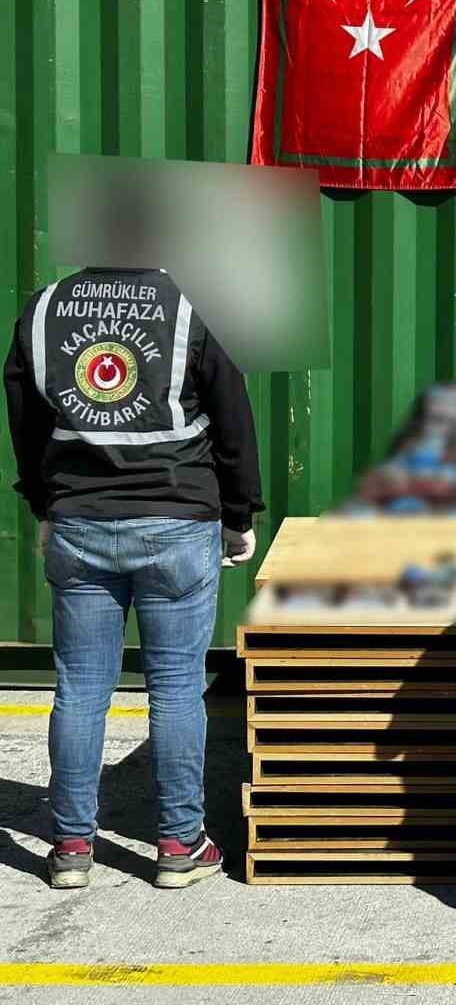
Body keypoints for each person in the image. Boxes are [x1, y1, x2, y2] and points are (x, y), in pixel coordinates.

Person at [3, 266, 263, 890]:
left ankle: (71, 846)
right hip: (177, 518)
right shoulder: (191, 304)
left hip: (79, 519)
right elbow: (232, 416)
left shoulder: (44, 309)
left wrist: (44, 505)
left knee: (80, 688)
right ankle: (179, 845)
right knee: (176, 689)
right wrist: (239, 514)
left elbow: (24, 423)